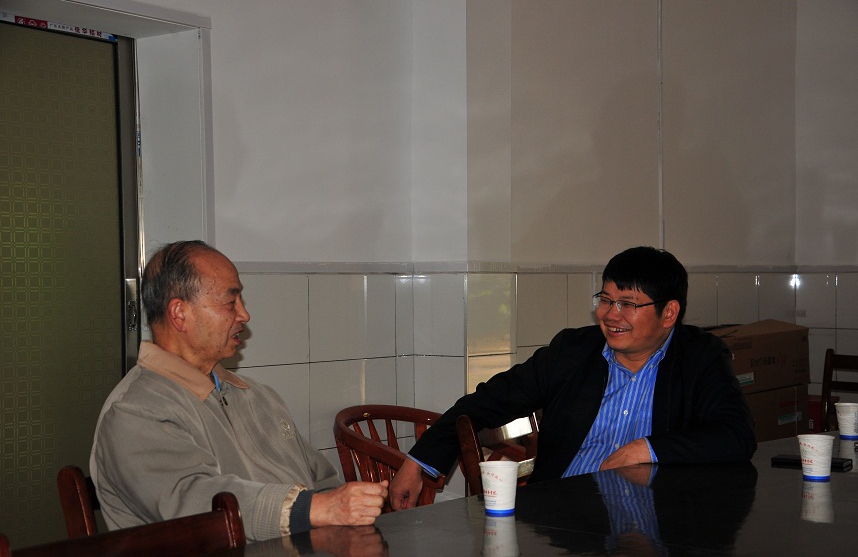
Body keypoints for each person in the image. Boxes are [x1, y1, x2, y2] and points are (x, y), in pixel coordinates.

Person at [389, 246, 757, 510]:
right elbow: (488, 401)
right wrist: (419, 461)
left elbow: (737, 435)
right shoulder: (573, 350)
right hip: (562, 519)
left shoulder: (700, 357)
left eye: (627, 304)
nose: (609, 315)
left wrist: (645, 449)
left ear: (669, 313)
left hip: (652, 519)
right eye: (605, 299)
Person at [90, 240, 387, 541]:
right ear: (180, 313)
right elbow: (197, 503)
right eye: (231, 302)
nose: (244, 315)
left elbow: (321, 480)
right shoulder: (135, 411)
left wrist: (344, 508)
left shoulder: (257, 396)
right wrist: (315, 509)